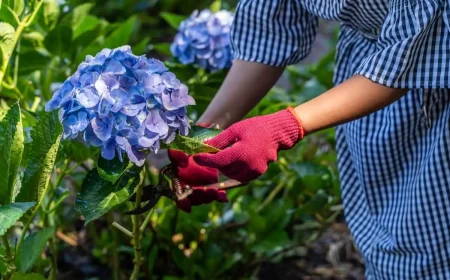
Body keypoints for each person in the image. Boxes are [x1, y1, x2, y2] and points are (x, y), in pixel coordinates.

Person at [169, 0, 450, 279]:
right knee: (388, 245)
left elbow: (419, 45)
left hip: (430, 84)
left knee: (428, 250)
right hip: (366, 82)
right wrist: (207, 134)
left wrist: (285, 127)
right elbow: (271, 25)